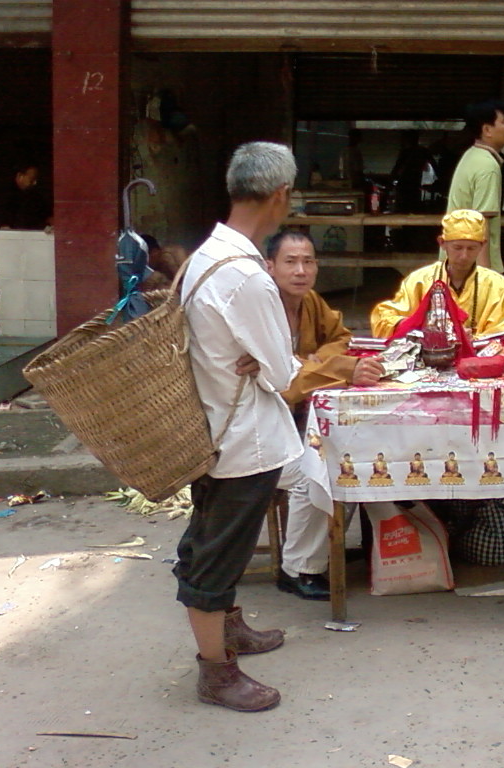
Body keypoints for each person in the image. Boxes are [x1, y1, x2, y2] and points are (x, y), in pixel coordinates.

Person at [173, 141, 302, 712]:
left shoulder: (205, 256)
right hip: (241, 439)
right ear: (280, 194)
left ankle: (230, 629)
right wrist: (270, 361)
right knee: (217, 555)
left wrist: (261, 359)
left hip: (211, 426)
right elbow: (284, 372)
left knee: (217, 540)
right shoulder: (248, 277)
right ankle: (215, 672)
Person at [260, 228, 385, 601]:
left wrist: (313, 362)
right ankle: (297, 569)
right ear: (269, 266)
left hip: (292, 425)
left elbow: (341, 337)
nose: (301, 271)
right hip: (254, 435)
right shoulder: (261, 310)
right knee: (316, 471)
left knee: (350, 457)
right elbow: (284, 383)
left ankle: (322, 549)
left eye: (308, 261)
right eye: (290, 262)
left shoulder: (310, 301)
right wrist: (336, 369)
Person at [369, 208, 504, 339]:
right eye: (458, 248)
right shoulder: (419, 280)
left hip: (477, 354)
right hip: (428, 352)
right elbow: (384, 319)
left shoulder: (497, 284)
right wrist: (421, 326)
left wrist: (469, 339)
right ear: (442, 243)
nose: (464, 256)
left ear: (482, 245)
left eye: (471, 248)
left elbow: (498, 333)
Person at [446, 100, 504, 272]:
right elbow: (481, 222)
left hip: (457, 260)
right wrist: (483, 276)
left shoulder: (472, 155)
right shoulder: (487, 166)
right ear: (487, 130)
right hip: (470, 266)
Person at [0, 162, 51, 230]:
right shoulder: (5, 196)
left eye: (36, 179)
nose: (35, 183)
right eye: (32, 179)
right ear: (20, 176)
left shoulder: (36, 198)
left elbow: (46, 217)